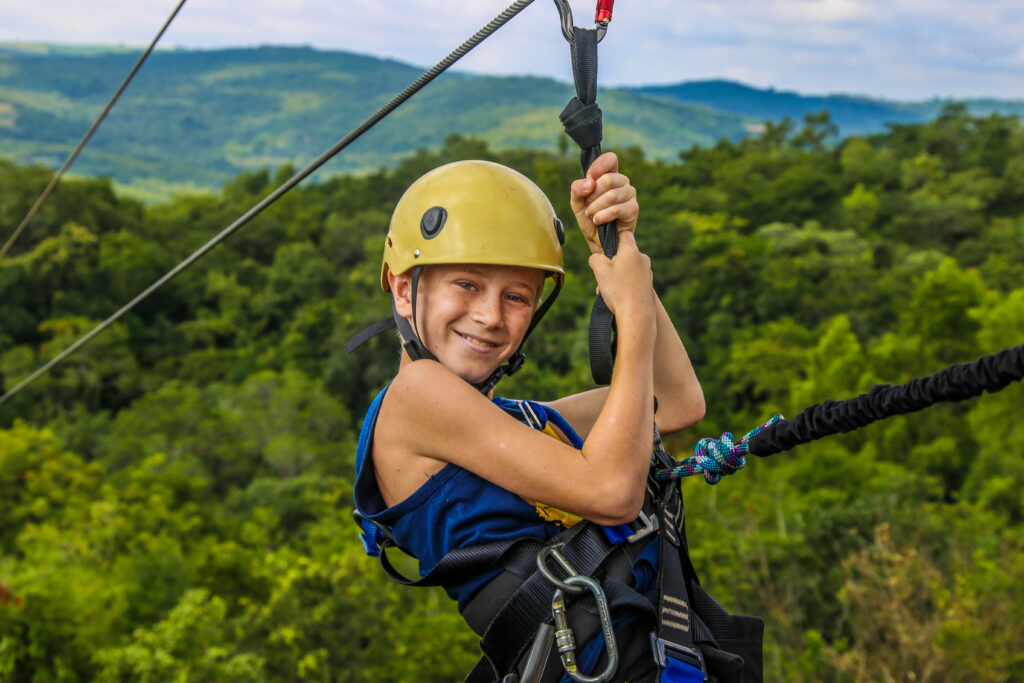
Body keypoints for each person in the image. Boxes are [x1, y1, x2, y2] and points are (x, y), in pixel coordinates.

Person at [353, 154, 758, 682]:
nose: (490, 315)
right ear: (404, 290)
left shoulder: (517, 424)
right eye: (467, 285)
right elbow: (614, 491)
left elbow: (676, 401)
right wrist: (630, 314)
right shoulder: (416, 393)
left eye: (516, 296)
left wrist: (617, 253)